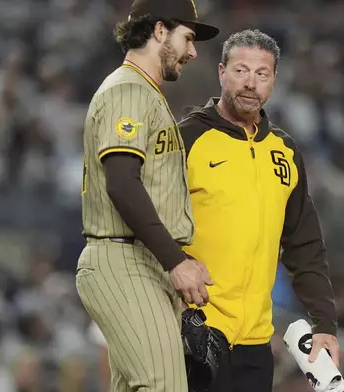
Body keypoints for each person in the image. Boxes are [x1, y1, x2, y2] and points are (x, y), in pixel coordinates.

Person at [178, 29, 340, 392]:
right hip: (195, 333)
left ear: (273, 80)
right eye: (240, 70)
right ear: (221, 72)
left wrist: (325, 324)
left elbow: (304, 243)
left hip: (255, 342)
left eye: (261, 74)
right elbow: (150, 220)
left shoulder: (285, 151)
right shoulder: (187, 138)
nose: (250, 83)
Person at [74, 1, 219, 391]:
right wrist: (176, 262)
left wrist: (177, 258)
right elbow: (121, 183)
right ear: (159, 31)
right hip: (123, 258)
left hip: (141, 258)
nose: (193, 52)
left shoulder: (145, 93)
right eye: (187, 37)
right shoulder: (129, 90)